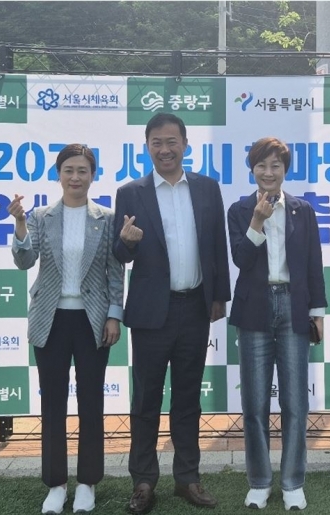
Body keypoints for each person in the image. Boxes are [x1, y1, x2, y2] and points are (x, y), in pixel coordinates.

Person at [112, 113, 231, 514]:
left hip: (195, 307)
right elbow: (119, 254)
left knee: (187, 399)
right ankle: (144, 482)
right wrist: (127, 242)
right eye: (157, 143)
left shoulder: (207, 188)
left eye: (171, 142)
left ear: (185, 144)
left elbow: (217, 245)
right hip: (150, 314)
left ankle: (188, 478)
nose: (165, 150)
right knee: (146, 401)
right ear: (147, 147)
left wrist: (219, 296)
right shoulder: (131, 193)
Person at [10, 143, 124, 515]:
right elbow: (25, 261)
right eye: (69, 170)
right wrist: (20, 224)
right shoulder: (41, 216)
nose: (75, 177)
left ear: (93, 175)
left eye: (82, 170)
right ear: (59, 174)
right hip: (50, 319)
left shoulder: (107, 218)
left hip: (93, 321)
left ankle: (88, 483)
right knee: (53, 404)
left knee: (91, 403)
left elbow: (115, 272)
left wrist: (114, 315)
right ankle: (56, 485)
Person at [227, 137, 327, 511]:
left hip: (294, 306)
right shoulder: (239, 210)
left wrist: (318, 313)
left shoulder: (303, 210)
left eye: (275, 166)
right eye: (261, 166)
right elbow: (241, 259)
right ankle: (259, 482)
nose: (268, 173)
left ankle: (292, 482)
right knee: (254, 403)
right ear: (252, 169)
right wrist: (257, 219)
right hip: (254, 308)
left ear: (285, 170)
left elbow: (314, 263)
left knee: (295, 402)